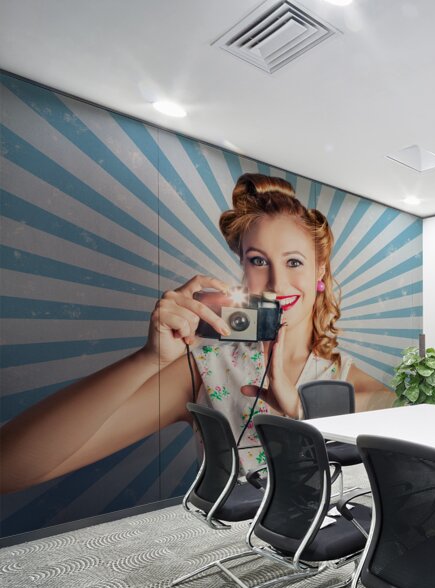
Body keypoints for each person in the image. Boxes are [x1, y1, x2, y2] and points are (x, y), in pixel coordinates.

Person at [0, 173, 395, 494]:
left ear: (319, 269)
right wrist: (148, 360)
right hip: (233, 543)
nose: (277, 282)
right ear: (242, 269)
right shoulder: (206, 367)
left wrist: (301, 413)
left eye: (294, 262)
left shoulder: (356, 386)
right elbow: (9, 469)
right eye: (258, 261)